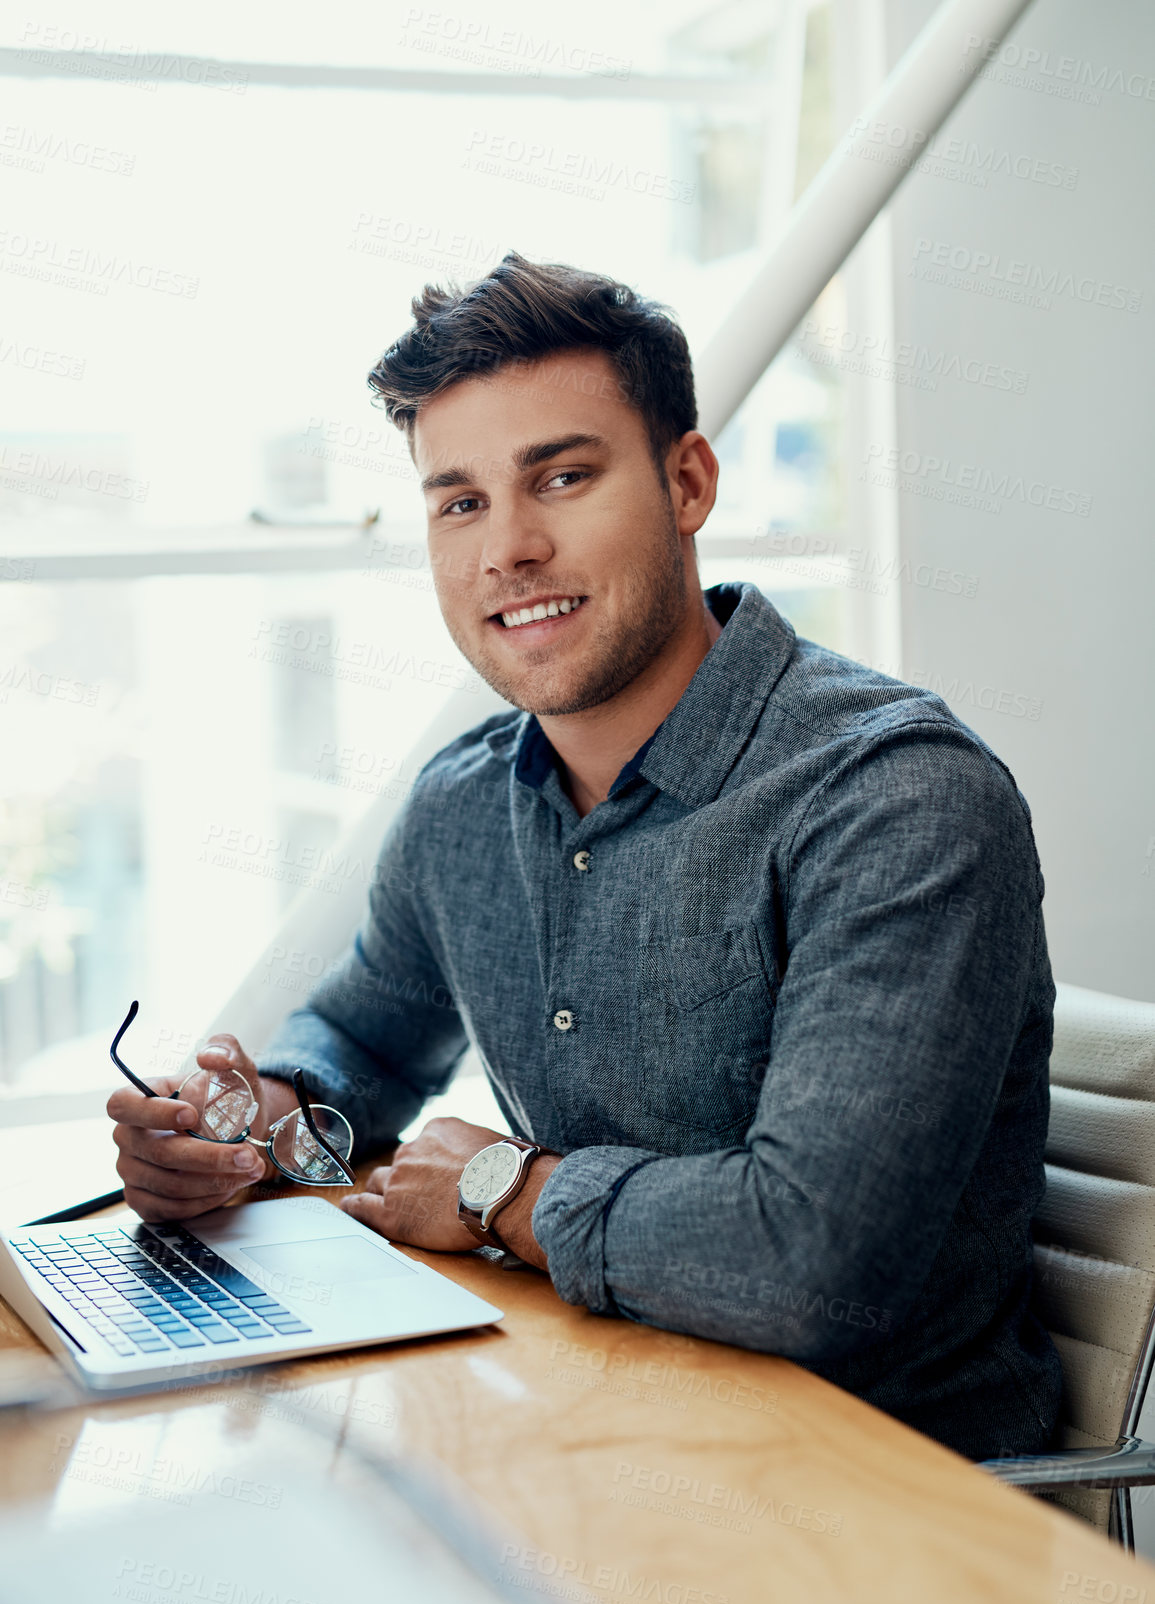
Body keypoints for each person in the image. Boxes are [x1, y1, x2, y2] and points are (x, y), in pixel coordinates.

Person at [107, 251, 1060, 1461]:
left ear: (688, 481)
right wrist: (243, 1125)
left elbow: (809, 1265)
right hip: (600, 1432)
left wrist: (505, 1189)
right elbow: (363, 1037)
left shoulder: (897, 799)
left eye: (560, 477)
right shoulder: (463, 804)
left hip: (890, 1504)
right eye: (459, 501)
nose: (508, 549)